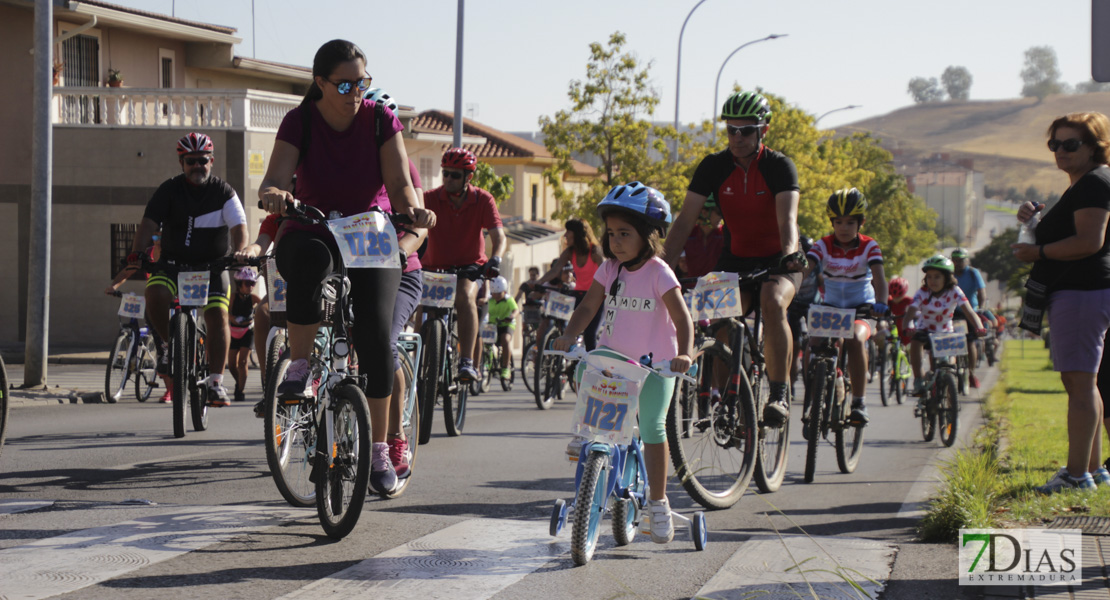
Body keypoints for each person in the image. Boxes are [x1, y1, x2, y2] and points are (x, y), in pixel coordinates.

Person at [258, 40, 435, 495]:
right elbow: (274, 179)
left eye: (362, 82)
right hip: (312, 226)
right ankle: (299, 367)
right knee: (308, 262)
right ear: (320, 83)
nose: (355, 92)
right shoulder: (301, 121)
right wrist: (276, 195)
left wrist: (413, 210)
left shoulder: (380, 121)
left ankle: (379, 448)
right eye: (345, 84)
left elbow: (398, 182)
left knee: (376, 334)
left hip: (367, 233)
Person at [552, 182, 694, 544]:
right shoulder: (609, 269)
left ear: (649, 236)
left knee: (652, 428)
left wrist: (684, 354)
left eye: (625, 233)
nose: (615, 241)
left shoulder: (659, 272)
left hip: (655, 366)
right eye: (611, 233)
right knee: (586, 367)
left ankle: (659, 502)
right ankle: (586, 433)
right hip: (614, 359)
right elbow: (588, 306)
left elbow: (682, 319)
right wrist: (570, 335)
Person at [663, 90, 803, 428]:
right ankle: (726, 399)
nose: (737, 138)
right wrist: (661, 264)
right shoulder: (714, 166)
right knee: (718, 316)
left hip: (778, 260)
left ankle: (779, 394)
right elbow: (684, 221)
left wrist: (789, 257)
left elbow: (788, 221)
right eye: (731, 130)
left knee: (771, 301)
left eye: (746, 130)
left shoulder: (779, 166)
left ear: (763, 131)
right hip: (736, 258)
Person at [1011, 112, 1110, 494]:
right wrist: (1032, 221)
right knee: (1084, 383)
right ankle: (1093, 469)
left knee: (1080, 384)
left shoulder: (1093, 184)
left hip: (1083, 293)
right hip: (1082, 292)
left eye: (1071, 144)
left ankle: (1075, 476)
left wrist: (1038, 251)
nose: (1061, 152)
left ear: (1095, 147)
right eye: (1055, 144)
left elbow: (1089, 242)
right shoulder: (1086, 184)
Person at [122, 132, 248, 407]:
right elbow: (147, 224)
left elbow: (239, 227)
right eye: (191, 161)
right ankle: (171, 347)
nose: (197, 166)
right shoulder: (169, 189)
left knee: (218, 316)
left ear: (211, 161)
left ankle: (216, 381)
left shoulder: (224, 192)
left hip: (212, 266)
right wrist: (138, 252)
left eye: (202, 161)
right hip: (172, 265)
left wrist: (239, 251)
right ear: (182, 162)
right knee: (154, 293)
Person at [366, 86, 429, 480]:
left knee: (383, 343)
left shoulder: (407, 169)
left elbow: (420, 225)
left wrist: (402, 250)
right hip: (358, 271)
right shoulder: (348, 164)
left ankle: (395, 436)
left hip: (401, 273)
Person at [801, 189, 888, 425]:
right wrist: (791, 286)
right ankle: (815, 395)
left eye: (850, 222)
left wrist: (881, 303)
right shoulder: (823, 244)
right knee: (813, 345)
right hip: (830, 306)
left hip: (862, 307)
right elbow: (807, 268)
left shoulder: (870, 246)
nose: (844, 227)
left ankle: (859, 402)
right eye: (838, 222)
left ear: (861, 223)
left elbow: (880, 279)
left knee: (856, 340)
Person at [422, 147, 505, 383]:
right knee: (422, 305)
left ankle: (467, 362)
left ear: (469, 177)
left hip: (469, 267)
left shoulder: (483, 199)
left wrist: (495, 258)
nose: (448, 178)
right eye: (445, 173)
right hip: (435, 266)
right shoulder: (429, 198)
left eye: (455, 175)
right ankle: (417, 360)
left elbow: (498, 236)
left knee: (465, 295)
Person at [903, 255, 985, 400]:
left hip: (946, 333)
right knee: (915, 342)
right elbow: (911, 312)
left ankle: (950, 403)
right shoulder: (923, 292)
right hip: (925, 331)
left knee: (948, 368)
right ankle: (918, 380)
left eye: (937, 277)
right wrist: (908, 325)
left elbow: (970, 311)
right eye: (929, 277)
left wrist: (979, 327)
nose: (932, 281)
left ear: (947, 278)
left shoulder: (955, 291)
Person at [536, 219, 605, 350]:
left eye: (568, 231)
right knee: (565, 328)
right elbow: (555, 270)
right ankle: (565, 362)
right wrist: (539, 282)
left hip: (595, 298)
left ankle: (591, 367)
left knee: (590, 335)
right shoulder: (569, 252)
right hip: (577, 295)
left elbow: (607, 273)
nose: (565, 235)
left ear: (578, 234)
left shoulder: (595, 251)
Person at [787, 236, 820, 397]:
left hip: (812, 306)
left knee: (813, 343)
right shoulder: (794, 265)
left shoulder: (816, 266)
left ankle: (812, 382)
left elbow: (822, 283)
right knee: (793, 347)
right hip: (794, 305)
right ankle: (791, 384)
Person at [952, 248, 987, 387]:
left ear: (966, 260)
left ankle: (971, 373)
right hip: (954, 312)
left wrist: (981, 308)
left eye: (960, 261)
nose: (958, 264)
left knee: (970, 342)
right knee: (951, 340)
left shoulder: (973, 273)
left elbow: (981, 292)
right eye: (955, 261)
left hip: (970, 311)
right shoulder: (949, 274)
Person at [227, 268, 262, 403]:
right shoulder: (233, 297)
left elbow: (266, 306)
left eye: (253, 284)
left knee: (242, 362)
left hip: (247, 331)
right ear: (239, 284)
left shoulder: (253, 298)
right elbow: (226, 312)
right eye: (247, 284)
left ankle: (240, 391)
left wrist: (259, 316)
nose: (251, 287)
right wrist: (232, 318)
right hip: (233, 331)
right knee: (231, 365)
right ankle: (239, 382)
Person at [682, 194, 725, 279]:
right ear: (704, 212)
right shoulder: (688, 234)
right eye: (719, 212)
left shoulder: (724, 235)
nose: (722, 217)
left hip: (719, 289)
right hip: (693, 289)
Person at [487, 276, 519, 382]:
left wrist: (511, 317)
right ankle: (487, 361)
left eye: (498, 293)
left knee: (505, 339)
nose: (496, 296)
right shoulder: (489, 300)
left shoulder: (508, 299)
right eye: (494, 293)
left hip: (506, 324)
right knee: (484, 340)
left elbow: (515, 310)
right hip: (493, 325)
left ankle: (506, 368)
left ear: (504, 291)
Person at [515, 266, 544, 337]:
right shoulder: (525, 285)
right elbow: (518, 296)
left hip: (539, 309)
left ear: (538, 275)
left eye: (534, 275)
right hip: (528, 309)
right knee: (525, 327)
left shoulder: (542, 285)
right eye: (531, 275)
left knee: (540, 329)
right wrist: (514, 307)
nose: (532, 277)